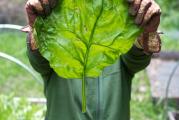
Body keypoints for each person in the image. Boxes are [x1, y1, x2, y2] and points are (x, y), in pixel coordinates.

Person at [22, 0, 161, 119]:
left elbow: (137, 59)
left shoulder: (116, 31)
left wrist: (147, 33)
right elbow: (39, 61)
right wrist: (37, 30)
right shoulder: (59, 30)